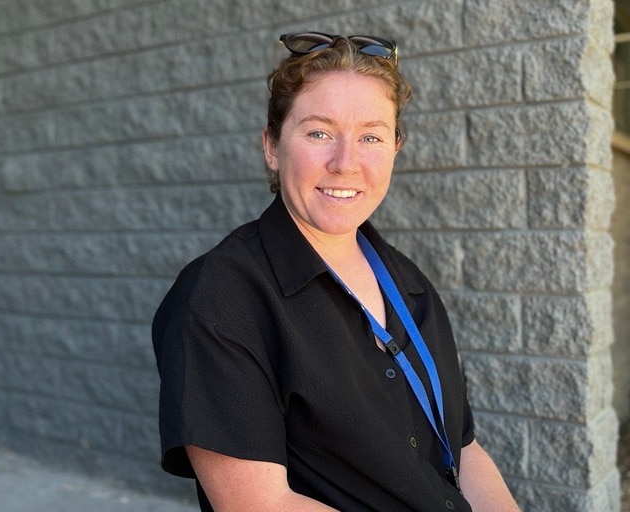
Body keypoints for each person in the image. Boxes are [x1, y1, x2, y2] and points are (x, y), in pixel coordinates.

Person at [152, 31, 521, 512]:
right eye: (318, 132)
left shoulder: (410, 286)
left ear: (395, 148)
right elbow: (261, 506)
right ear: (271, 146)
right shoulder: (220, 298)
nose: (345, 163)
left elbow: (463, 450)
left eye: (370, 136)